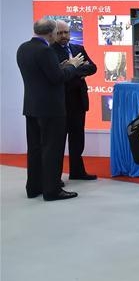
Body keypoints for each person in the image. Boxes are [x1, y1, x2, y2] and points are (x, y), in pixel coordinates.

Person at [17, 18, 84, 201]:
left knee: (35, 149)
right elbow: (57, 78)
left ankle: (34, 187)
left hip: (31, 106)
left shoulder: (23, 48)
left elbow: (42, 74)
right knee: (52, 150)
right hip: (51, 108)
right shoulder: (45, 50)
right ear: (52, 33)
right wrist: (72, 66)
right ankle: (52, 190)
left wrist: (60, 66)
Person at [52, 19, 98, 181]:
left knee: (78, 138)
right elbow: (57, 75)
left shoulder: (78, 48)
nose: (64, 36)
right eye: (60, 33)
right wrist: (76, 70)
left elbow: (92, 67)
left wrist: (72, 70)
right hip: (60, 102)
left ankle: (77, 172)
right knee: (57, 142)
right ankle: (54, 178)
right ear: (53, 34)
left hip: (78, 101)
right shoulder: (50, 51)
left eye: (66, 32)